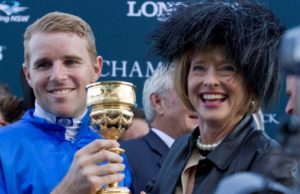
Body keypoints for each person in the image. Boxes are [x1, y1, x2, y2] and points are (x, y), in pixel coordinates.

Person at [145, 1, 298, 194]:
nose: (210, 81)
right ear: (185, 78)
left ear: (252, 83)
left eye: (227, 69)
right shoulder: (180, 148)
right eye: (199, 68)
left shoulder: (274, 164)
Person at [0, 12, 131, 194]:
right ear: (28, 74)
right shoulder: (3, 146)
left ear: (96, 68)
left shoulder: (110, 149)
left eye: (71, 62)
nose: (58, 76)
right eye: (44, 64)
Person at [121, 65, 198, 194]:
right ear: (157, 102)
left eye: (199, 94)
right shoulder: (123, 155)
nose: (197, 103)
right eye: (187, 93)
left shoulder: (212, 158)